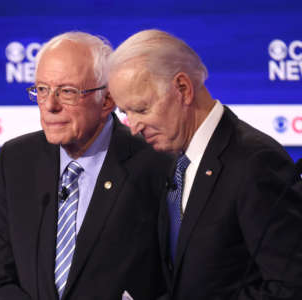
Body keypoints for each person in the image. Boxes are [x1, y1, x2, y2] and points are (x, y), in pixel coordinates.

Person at [108, 29, 302, 300]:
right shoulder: (171, 160)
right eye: (125, 112)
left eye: (141, 109)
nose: (134, 127)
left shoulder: (254, 162)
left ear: (183, 89)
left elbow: (290, 286)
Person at [0, 31, 172, 300]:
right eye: (42, 90)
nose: (50, 106)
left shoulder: (156, 163)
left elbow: (178, 283)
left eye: (67, 92)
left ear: (107, 100)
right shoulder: (17, 160)